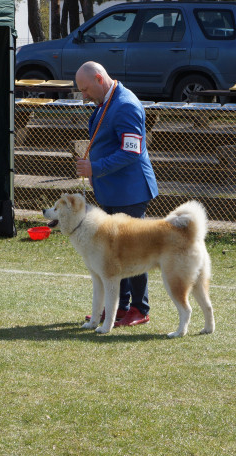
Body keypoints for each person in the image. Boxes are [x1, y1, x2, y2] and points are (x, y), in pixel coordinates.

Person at [74, 61, 159, 327]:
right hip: (112, 190)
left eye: (86, 89)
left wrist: (95, 167)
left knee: (132, 251)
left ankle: (139, 308)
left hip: (130, 192)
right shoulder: (105, 102)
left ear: (100, 79)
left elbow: (130, 151)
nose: (84, 96)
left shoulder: (126, 106)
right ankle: (118, 307)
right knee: (111, 253)